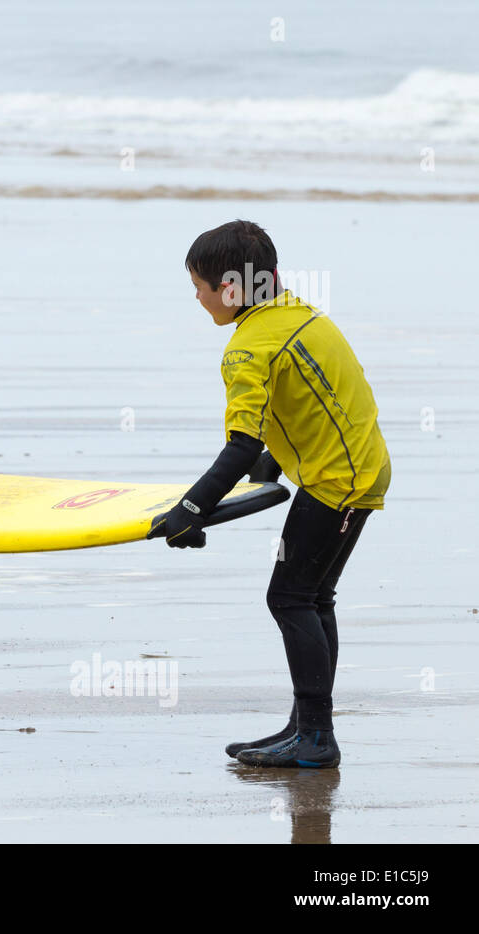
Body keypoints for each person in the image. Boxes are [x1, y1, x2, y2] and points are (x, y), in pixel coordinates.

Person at [155, 219, 390, 768]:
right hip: (357, 469)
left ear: (231, 291)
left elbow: (240, 444)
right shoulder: (298, 312)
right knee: (312, 597)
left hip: (335, 484)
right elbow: (306, 402)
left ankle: (315, 739)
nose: (196, 296)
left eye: (200, 286)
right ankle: (307, 727)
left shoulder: (247, 348)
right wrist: (272, 464)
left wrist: (190, 510)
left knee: (288, 598)